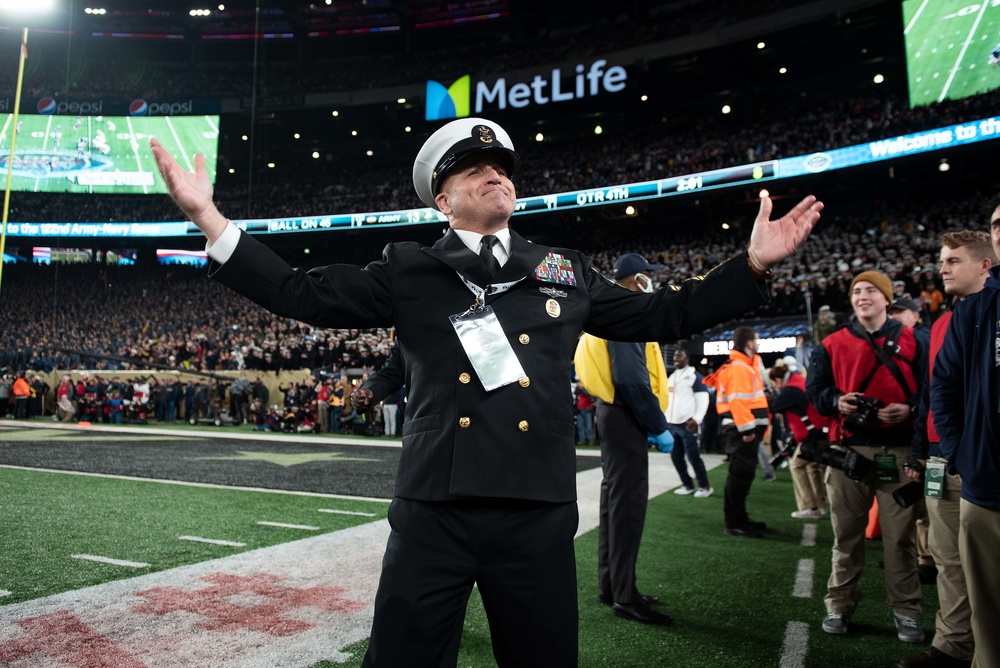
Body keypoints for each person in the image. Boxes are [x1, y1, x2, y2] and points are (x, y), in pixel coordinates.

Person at [151, 116, 822, 667]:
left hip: (535, 508)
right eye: (473, 169)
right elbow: (302, 294)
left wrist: (754, 264)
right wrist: (210, 218)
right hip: (434, 509)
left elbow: (663, 317)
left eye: (500, 165)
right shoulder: (410, 268)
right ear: (441, 200)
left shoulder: (564, 269)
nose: (494, 173)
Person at [807, 270, 927, 644]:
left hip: (901, 450)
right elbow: (817, 391)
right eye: (857, 290)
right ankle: (839, 605)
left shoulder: (914, 340)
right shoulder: (830, 344)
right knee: (846, 537)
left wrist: (909, 409)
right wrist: (835, 401)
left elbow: (933, 392)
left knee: (901, 540)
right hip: (850, 451)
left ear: (886, 298)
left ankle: (907, 612)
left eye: (871, 290)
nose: (862, 296)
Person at [900, 230, 994, 668]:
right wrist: (929, 449)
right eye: (943, 260)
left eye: (954, 261)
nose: (943, 269)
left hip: (979, 460)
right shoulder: (940, 324)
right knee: (947, 558)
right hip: (948, 456)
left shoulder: (988, 315)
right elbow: (934, 393)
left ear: (985, 265)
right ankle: (953, 644)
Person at [574, 253, 675, 626]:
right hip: (624, 415)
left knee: (614, 504)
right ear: (636, 277)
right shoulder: (626, 310)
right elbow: (631, 378)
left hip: (613, 414)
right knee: (627, 508)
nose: (652, 280)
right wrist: (657, 424)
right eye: (649, 274)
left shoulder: (609, 309)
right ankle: (626, 597)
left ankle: (613, 586)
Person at [931, 197, 1000, 668]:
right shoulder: (973, 312)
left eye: (953, 260)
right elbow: (944, 387)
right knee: (990, 628)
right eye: (997, 223)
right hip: (986, 488)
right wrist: (962, 454)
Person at [704, 326, 770, 538]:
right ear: (749, 343)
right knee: (739, 477)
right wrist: (747, 430)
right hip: (742, 432)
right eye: (756, 340)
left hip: (742, 430)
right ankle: (734, 522)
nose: (758, 343)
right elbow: (739, 401)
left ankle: (739, 518)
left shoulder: (742, 365)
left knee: (741, 476)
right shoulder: (740, 367)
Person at [768, 361, 831, 519]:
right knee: (814, 467)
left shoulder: (791, 389)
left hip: (812, 435)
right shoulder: (799, 381)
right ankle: (821, 505)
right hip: (821, 431)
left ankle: (810, 507)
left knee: (797, 466)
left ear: (779, 378)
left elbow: (774, 407)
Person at [667, 345, 712, 498]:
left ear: (687, 358)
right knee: (676, 457)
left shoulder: (694, 376)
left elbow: (703, 399)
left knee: (693, 457)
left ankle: (705, 486)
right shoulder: (672, 377)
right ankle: (688, 485)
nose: (676, 359)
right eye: (675, 356)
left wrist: (697, 419)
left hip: (688, 424)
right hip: (673, 424)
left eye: (679, 356)